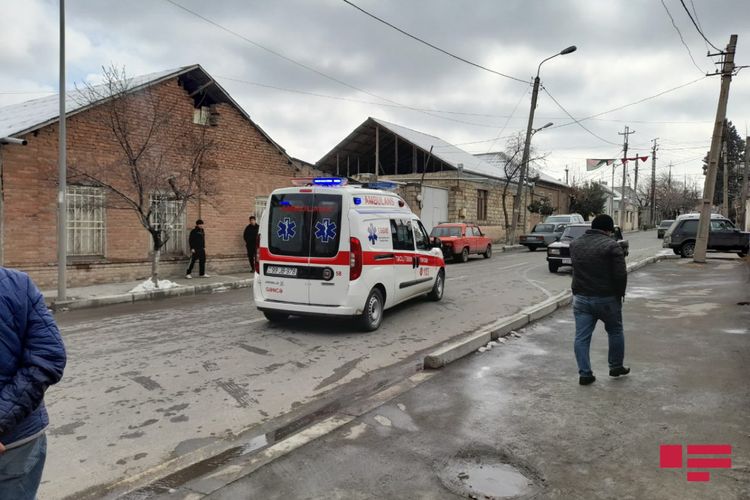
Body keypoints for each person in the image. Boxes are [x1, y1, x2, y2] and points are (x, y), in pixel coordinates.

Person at [0, 267, 66, 499]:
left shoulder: (17, 284)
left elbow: (47, 356)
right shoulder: (17, 283)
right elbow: (47, 357)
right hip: (19, 439)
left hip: (17, 444)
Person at [569, 214, 629, 385]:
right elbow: (620, 275)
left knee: (581, 337)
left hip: (581, 298)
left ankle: (585, 374)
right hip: (607, 298)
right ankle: (615, 366)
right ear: (608, 230)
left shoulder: (575, 244)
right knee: (615, 331)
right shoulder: (612, 246)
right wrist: (620, 294)